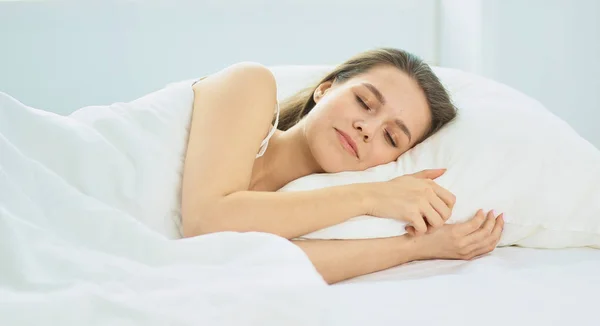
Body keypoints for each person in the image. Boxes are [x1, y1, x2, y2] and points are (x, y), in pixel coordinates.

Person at [180, 48, 504, 284]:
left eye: (391, 137)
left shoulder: (303, 212)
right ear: (325, 89)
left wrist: (420, 246)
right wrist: (373, 197)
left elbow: (267, 263)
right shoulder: (249, 84)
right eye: (364, 102)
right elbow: (208, 222)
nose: (367, 128)